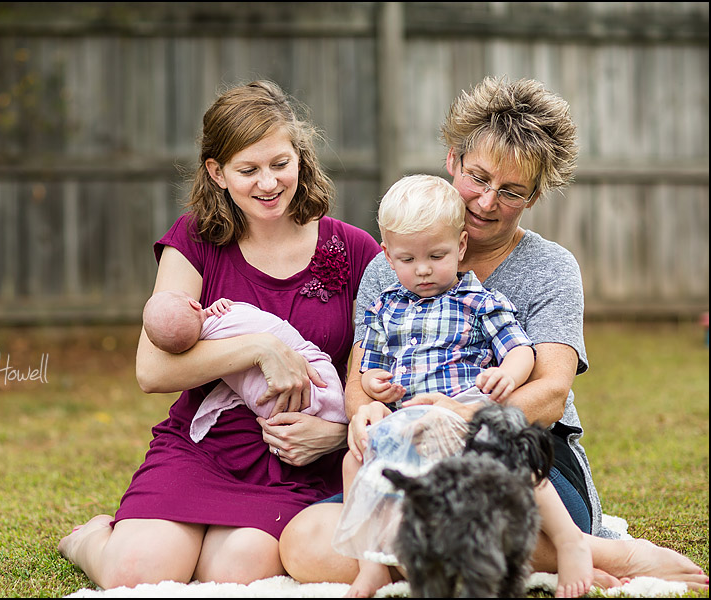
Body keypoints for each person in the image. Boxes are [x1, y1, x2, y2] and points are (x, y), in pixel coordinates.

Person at [279, 76, 709, 592]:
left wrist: (464, 414)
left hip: (523, 454)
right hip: (412, 454)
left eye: (511, 191)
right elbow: (360, 380)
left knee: (474, 513)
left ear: (534, 195)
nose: (486, 201)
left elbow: (549, 394)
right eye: (479, 177)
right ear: (453, 160)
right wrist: (365, 411)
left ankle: (601, 551)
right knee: (302, 541)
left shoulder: (549, 267)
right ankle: (525, 559)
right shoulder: (387, 267)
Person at [57, 80, 382, 589]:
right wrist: (259, 348)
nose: (268, 183)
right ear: (218, 173)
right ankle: (90, 539)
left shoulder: (357, 251)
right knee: (134, 573)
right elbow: (152, 370)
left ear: (300, 156)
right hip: (201, 446)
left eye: (280, 163)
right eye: (248, 170)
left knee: (235, 575)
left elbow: (387, 367)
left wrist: (338, 436)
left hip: (293, 455)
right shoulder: (197, 239)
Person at [332, 174, 593, 598]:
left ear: (460, 247)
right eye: (407, 259)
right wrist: (375, 388)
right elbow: (368, 368)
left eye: (437, 256)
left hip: (465, 410)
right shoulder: (385, 305)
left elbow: (521, 350)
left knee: (508, 449)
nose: (422, 270)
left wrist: (508, 372)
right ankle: (372, 563)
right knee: (352, 462)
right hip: (412, 421)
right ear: (387, 255)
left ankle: (570, 541)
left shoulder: (477, 300)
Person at [140, 290, 348, 443]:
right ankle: (338, 417)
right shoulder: (227, 317)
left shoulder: (208, 348)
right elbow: (249, 315)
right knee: (321, 382)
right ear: (194, 304)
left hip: (268, 412)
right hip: (306, 379)